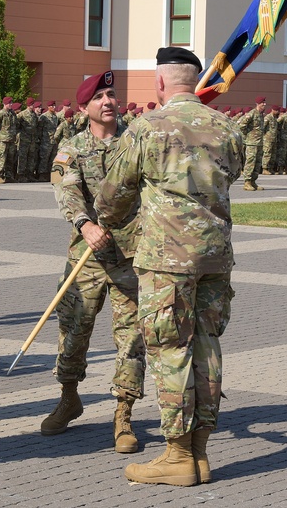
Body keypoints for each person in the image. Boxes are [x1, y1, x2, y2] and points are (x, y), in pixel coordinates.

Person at [94, 47, 243, 487]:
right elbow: (233, 174)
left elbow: (112, 195)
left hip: (167, 260)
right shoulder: (227, 127)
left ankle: (177, 455)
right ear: (194, 83)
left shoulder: (147, 127)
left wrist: (114, 218)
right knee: (207, 346)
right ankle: (199, 453)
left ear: (159, 84)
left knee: (170, 347)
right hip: (216, 255)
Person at [42, 71, 146, 454]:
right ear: (83, 108)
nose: (108, 101)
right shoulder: (71, 147)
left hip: (131, 256)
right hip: (85, 259)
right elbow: (66, 190)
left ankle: (123, 415)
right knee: (72, 334)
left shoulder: (136, 142)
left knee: (131, 338)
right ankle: (69, 399)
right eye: (99, 96)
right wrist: (85, 224)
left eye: (112, 94)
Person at [239, 97, 266, 191]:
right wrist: (248, 134)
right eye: (263, 103)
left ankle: (253, 182)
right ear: (258, 104)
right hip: (252, 143)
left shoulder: (261, 115)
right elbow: (241, 125)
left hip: (259, 143)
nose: (264, 105)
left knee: (258, 163)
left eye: (265, 103)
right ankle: (247, 182)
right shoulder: (252, 114)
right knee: (250, 162)